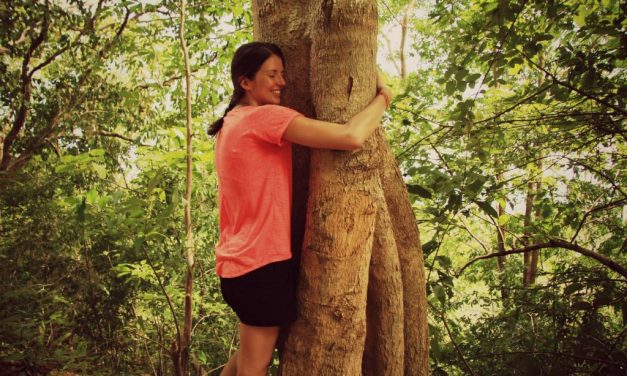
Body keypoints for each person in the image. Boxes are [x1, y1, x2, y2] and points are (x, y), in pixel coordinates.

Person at [209, 41, 392, 376]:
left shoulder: (230, 124)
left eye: (282, 74)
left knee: (245, 359)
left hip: (237, 267)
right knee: (254, 367)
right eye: (272, 75)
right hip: (261, 268)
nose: (281, 82)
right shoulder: (263, 118)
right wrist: (384, 98)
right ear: (245, 82)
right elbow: (351, 136)